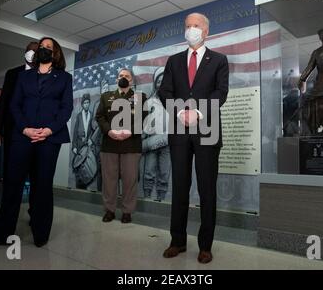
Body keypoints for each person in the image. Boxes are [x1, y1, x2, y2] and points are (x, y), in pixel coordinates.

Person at [0, 37, 73, 248]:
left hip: (50, 138)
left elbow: (66, 108)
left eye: (48, 47)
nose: (43, 49)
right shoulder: (23, 77)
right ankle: (1, 234)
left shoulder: (64, 78)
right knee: (13, 185)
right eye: (41, 47)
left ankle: (41, 234)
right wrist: (25, 128)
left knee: (42, 187)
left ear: (56, 53)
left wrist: (49, 130)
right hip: (22, 136)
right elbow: (14, 105)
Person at [158, 13, 229, 264]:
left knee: (207, 189)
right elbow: (164, 90)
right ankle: (177, 241)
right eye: (188, 26)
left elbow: (221, 92)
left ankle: (205, 245)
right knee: (179, 187)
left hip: (207, 130)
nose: (191, 30)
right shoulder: (174, 61)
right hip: (179, 131)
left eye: (196, 26)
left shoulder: (219, 60)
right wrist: (180, 111)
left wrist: (197, 112)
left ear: (206, 31)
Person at [0, 41, 38, 219]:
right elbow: (3, 102)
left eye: (36, 50)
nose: (33, 53)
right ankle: (7, 220)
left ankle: (35, 216)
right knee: (12, 179)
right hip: (14, 133)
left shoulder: (45, 74)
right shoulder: (13, 74)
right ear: (24, 53)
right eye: (30, 50)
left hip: (36, 135)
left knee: (37, 178)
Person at [95, 68, 147, 224]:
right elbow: (100, 117)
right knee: (109, 181)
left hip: (131, 145)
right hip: (109, 144)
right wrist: (109, 131)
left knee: (130, 181)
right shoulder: (106, 97)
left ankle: (127, 212)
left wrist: (130, 132)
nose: (123, 78)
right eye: (120, 76)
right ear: (116, 79)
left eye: (126, 76)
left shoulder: (140, 97)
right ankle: (109, 210)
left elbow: (142, 118)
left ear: (131, 80)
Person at [142, 66, 171, 201]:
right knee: (149, 171)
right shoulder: (149, 102)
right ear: (155, 84)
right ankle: (147, 196)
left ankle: (161, 198)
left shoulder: (173, 101)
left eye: (163, 81)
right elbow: (143, 123)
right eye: (158, 81)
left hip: (167, 143)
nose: (161, 84)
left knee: (164, 173)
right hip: (152, 141)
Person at [72, 94, 98, 190]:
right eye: (85, 103)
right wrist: (74, 146)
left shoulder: (92, 115)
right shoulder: (79, 116)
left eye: (88, 103)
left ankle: (85, 187)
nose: (86, 105)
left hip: (88, 147)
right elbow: (75, 133)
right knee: (78, 168)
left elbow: (94, 129)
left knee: (87, 168)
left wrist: (91, 140)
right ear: (82, 104)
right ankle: (79, 188)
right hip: (79, 146)